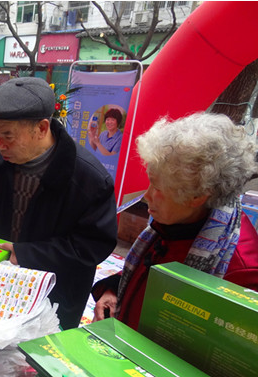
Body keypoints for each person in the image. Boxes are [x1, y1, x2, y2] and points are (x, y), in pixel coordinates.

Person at [0, 77, 118, 330]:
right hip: (0, 285)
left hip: (53, 297)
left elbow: (92, 245)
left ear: (42, 128)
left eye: (8, 136)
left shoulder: (89, 178)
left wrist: (27, 254)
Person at [92, 113, 258, 330]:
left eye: (157, 187)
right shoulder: (175, 224)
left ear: (197, 196)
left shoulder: (241, 271)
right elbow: (147, 271)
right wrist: (113, 289)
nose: (146, 196)